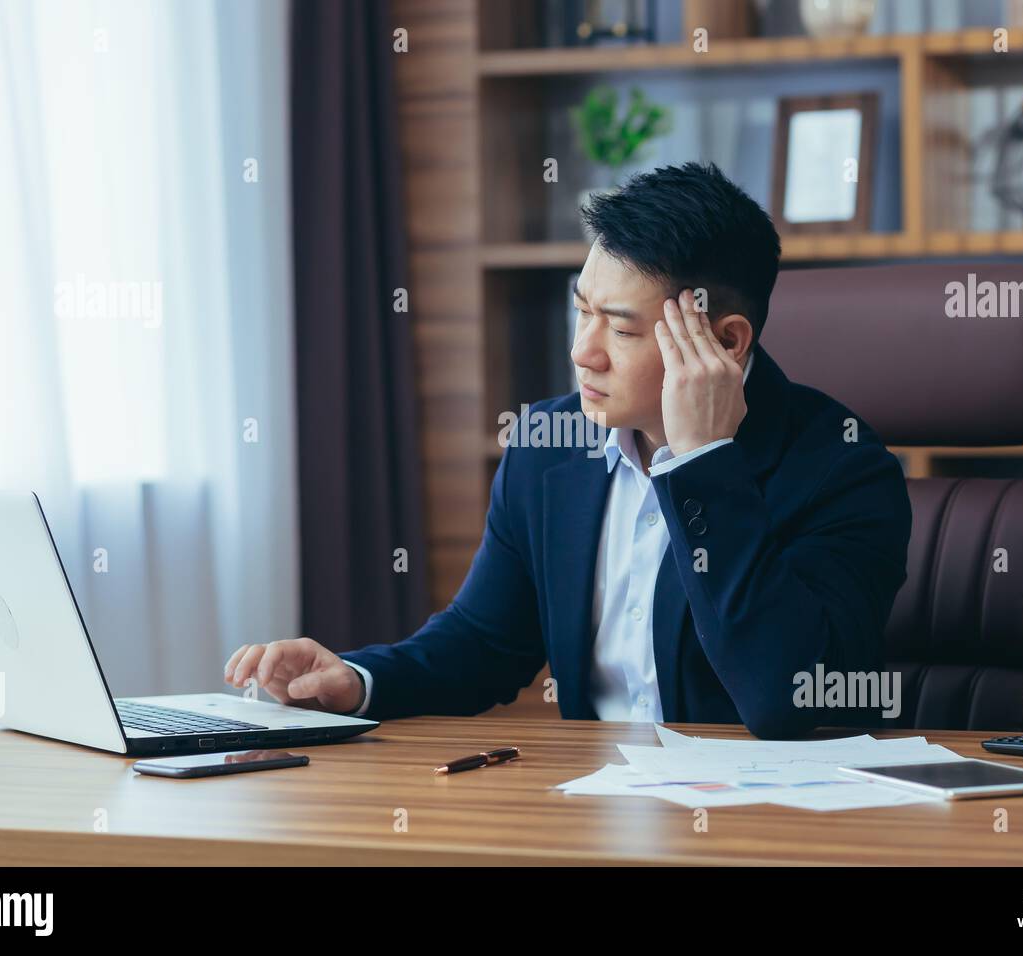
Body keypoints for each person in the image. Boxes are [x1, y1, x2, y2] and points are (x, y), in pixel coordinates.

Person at [225, 161, 912, 738]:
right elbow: (486, 643)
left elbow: (786, 697)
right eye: (581, 311)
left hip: (758, 828)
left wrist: (704, 463)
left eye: (620, 330)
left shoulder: (843, 470)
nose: (582, 353)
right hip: (590, 815)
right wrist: (360, 678)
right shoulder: (549, 448)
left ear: (727, 343)